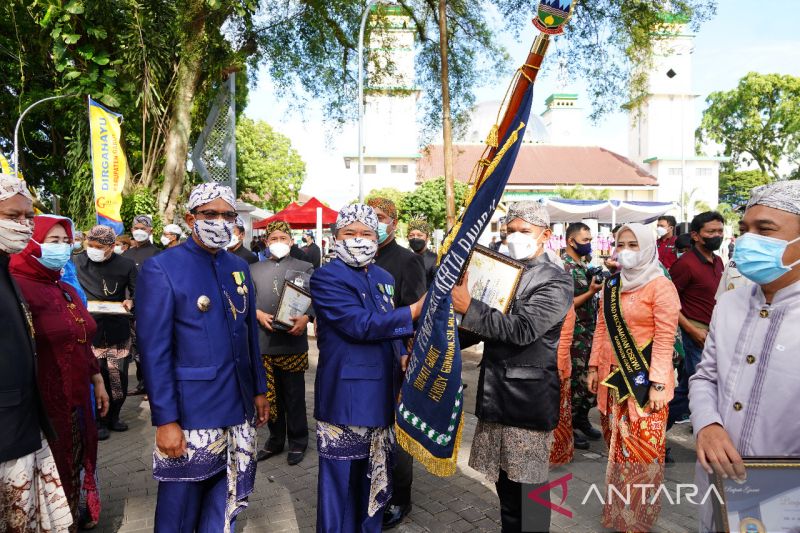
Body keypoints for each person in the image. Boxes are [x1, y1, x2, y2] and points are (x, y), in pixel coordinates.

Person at [136, 183, 269, 532]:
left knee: (223, 504)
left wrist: (259, 389)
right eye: (210, 214)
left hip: (236, 405)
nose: (219, 221)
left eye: (227, 215)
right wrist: (165, 420)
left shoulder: (237, 266)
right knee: (179, 511)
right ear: (189, 217)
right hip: (191, 413)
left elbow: (248, 337)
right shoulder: (162, 268)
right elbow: (155, 353)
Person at [451, 201, 573, 533]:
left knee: (530, 491)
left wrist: (469, 306)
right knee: (506, 488)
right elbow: (480, 328)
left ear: (545, 235)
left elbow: (521, 330)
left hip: (527, 400)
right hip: (497, 393)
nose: (515, 237)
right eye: (511, 231)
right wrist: (443, 337)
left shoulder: (555, 281)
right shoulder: (502, 271)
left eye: (525, 231)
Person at [689, 181, 800, 531]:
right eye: (745, 230)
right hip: (719, 485)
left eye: (764, 230)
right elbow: (706, 376)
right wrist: (706, 424)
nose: (747, 240)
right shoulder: (730, 303)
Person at [310, 203, 425, 533]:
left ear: (379, 237)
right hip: (346, 401)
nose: (359, 240)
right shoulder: (326, 277)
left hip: (383, 397)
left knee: (376, 483)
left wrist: (403, 353)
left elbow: (386, 330)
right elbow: (359, 325)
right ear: (335, 237)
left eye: (366, 233)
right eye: (350, 233)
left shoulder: (384, 277)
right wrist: (413, 312)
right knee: (341, 490)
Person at [10, 215, 111, 530]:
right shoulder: (16, 287)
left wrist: (97, 381)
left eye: (67, 241)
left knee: (72, 462)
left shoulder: (63, 287)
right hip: (39, 407)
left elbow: (81, 337)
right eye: (54, 241)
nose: (63, 248)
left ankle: (71, 517)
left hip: (76, 398)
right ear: (31, 242)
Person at [587, 223, 681, 532]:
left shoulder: (661, 286)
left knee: (642, 452)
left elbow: (666, 339)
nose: (625, 250)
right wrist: (591, 367)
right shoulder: (612, 285)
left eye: (632, 244)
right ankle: (618, 514)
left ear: (647, 247)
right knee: (616, 448)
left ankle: (638, 518)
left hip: (646, 386)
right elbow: (601, 329)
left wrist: (657, 384)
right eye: (620, 244)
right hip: (612, 382)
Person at [0, 173, 73, 532]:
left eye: (28, 217)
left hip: (25, 423)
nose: (24, 225)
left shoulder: (7, 272)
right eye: (13, 216)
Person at [366, 197, 426, 529]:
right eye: (368, 216)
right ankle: (374, 487)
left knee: (397, 431)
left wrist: (406, 352)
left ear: (393, 221)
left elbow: (416, 312)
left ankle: (400, 497)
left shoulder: (406, 261)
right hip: (364, 359)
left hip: (397, 358)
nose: (372, 223)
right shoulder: (359, 258)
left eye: (379, 217)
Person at [251, 221, 315, 465]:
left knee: (294, 396)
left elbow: (316, 298)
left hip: (292, 342)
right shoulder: (253, 269)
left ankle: (298, 441)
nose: (278, 242)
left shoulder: (305, 267)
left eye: (283, 238)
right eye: (273, 238)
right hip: (265, 342)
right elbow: (246, 300)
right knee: (271, 395)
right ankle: (275, 440)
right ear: (267, 242)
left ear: (291, 241)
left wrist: (308, 317)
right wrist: (256, 313)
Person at [75, 225, 138, 440]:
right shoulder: (77, 262)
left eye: (99, 247)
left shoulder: (126, 264)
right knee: (96, 375)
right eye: (90, 245)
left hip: (116, 328)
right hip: (89, 329)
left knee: (117, 377)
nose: (93, 250)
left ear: (111, 247)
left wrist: (132, 301)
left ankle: (114, 416)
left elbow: (138, 291)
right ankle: (97, 420)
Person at [667, 211, 724, 427]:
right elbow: (669, 303)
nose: (716, 235)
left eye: (720, 231)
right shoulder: (686, 264)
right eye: (710, 232)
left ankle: (653, 436)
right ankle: (653, 436)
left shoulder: (718, 261)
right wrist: (692, 331)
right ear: (696, 235)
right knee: (699, 389)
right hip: (696, 335)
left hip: (712, 334)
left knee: (687, 388)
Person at [562, 222, 603, 450]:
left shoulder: (584, 264)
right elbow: (567, 304)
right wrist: (590, 292)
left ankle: (581, 418)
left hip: (589, 332)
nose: (589, 244)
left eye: (590, 240)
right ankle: (569, 427)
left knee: (589, 381)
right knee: (575, 382)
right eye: (585, 240)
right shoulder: (564, 267)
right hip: (575, 334)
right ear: (571, 241)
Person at [123, 214, 160, 398]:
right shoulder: (126, 254)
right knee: (136, 351)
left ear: (150, 231)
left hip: (150, 309)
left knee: (151, 349)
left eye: (143, 229)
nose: (139, 232)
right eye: (136, 228)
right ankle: (141, 383)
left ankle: (153, 385)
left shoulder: (158, 254)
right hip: (129, 310)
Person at [407, 216, 438, 287]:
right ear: (407, 238)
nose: (415, 238)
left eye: (419, 235)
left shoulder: (435, 260)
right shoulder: (404, 258)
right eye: (411, 235)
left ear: (427, 238)